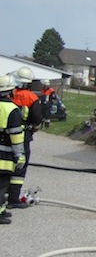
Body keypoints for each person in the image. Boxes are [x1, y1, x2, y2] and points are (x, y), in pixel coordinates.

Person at [8, 67, 42, 208]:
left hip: (6, 136)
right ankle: (13, 198)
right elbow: (37, 119)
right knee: (20, 167)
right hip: (24, 136)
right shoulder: (32, 97)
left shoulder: (10, 95)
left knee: (6, 164)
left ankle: (4, 193)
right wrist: (33, 128)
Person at [0, 74, 25, 225]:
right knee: (2, 185)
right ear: (10, 91)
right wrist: (20, 155)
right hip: (4, 157)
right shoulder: (12, 109)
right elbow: (15, 136)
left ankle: (2, 210)